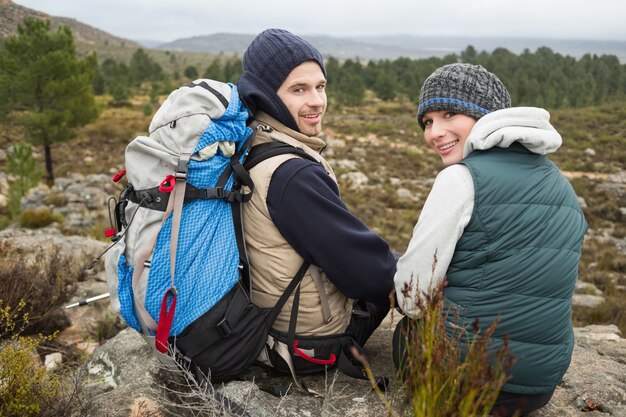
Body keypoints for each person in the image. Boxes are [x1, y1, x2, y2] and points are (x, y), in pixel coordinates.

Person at [393, 63, 587, 416]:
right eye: (427, 121)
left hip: (466, 379)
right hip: (539, 385)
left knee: (405, 334)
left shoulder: (460, 179)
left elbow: (413, 299)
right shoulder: (563, 185)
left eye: (449, 113)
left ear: (485, 115)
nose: (434, 132)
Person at [236, 29, 396, 371]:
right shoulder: (291, 174)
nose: (317, 101)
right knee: (395, 274)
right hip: (305, 345)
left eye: (320, 86)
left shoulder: (250, 143)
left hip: (265, 324)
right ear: (266, 95)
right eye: (299, 89)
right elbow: (368, 275)